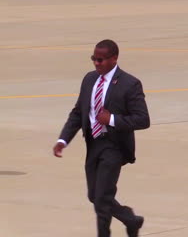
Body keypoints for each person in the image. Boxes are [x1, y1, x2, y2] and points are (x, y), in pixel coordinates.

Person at [53, 39, 150, 237]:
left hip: (114, 146)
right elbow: (78, 113)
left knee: (103, 198)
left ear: (114, 59)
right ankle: (131, 220)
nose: (96, 63)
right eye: (94, 59)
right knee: (95, 196)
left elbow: (143, 119)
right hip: (93, 144)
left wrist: (112, 119)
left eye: (101, 60)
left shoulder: (130, 83)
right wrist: (63, 139)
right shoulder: (89, 79)